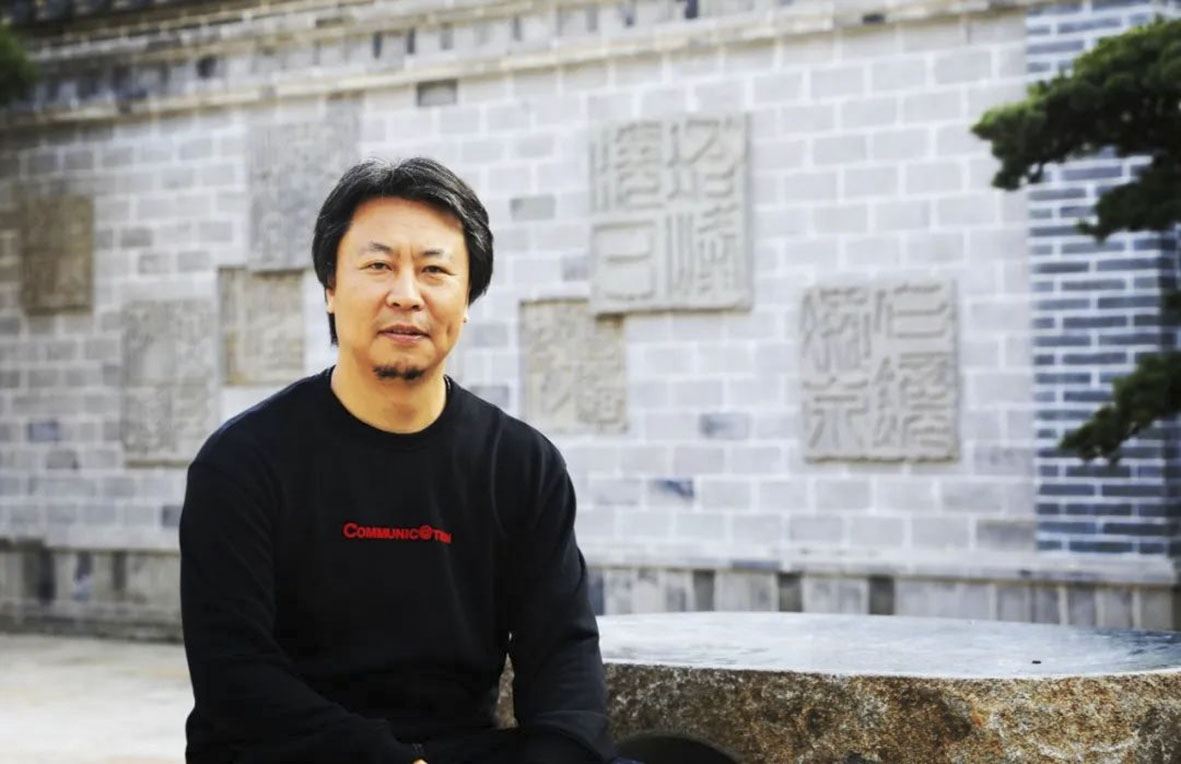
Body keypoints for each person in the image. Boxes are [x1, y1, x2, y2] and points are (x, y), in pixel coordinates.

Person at [179, 157, 618, 764]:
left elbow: (563, 655)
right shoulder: (243, 464)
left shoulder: (522, 465)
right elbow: (236, 676)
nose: (406, 295)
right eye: (378, 266)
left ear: (467, 298)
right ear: (331, 288)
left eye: (434, 270)